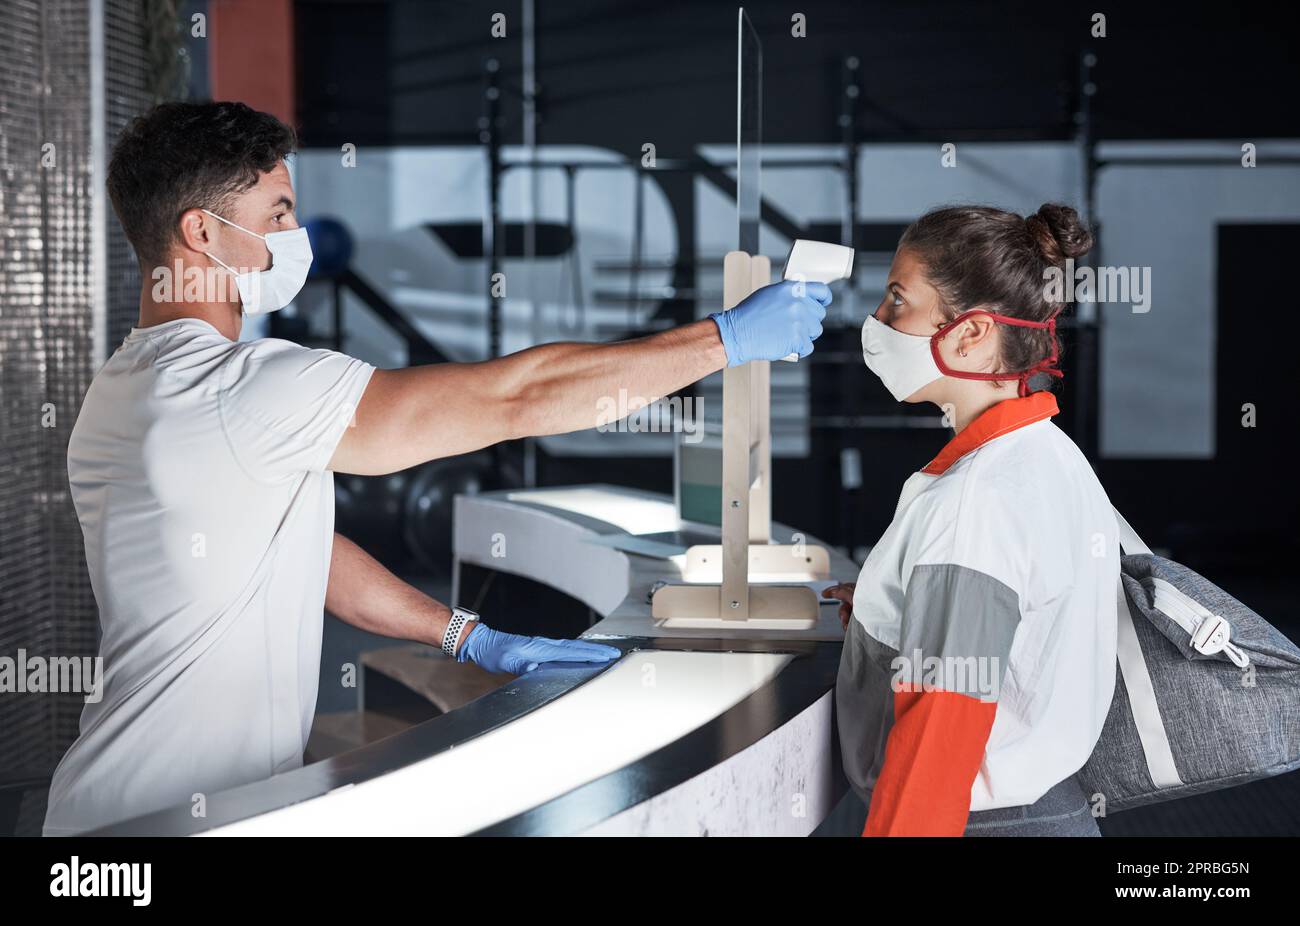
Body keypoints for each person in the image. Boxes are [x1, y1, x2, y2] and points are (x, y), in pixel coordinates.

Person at [42, 101, 830, 835]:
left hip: (116, 809)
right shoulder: (240, 388)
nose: (295, 231)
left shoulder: (125, 387)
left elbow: (291, 547)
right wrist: (719, 341)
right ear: (202, 235)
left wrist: (466, 635)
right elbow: (512, 401)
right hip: (174, 816)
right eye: (277, 213)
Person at [822, 203, 1117, 837]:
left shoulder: (975, 498)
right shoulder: (1047, 453)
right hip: (1044, 810)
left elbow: (942, 724)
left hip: (975, 823)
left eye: (898, 300)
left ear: (972, 332)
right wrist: (895, 603)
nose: (876, 322)